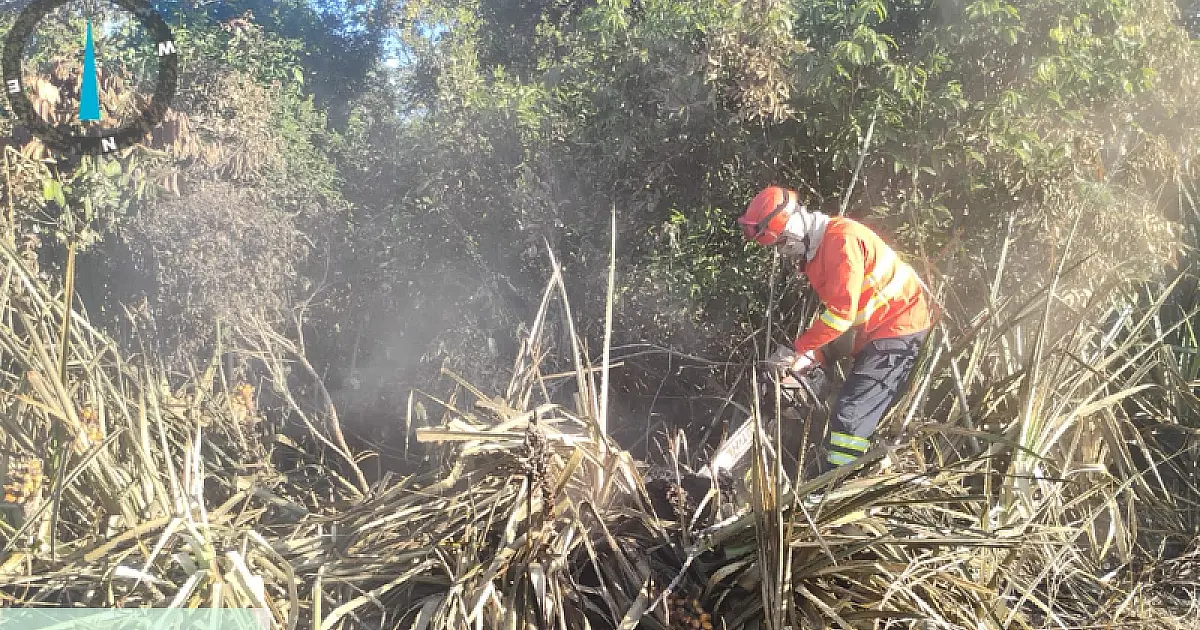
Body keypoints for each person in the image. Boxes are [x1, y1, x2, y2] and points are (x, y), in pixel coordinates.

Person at [737, 185, 932, 476]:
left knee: (850, 413)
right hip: (869, 327)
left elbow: (841, 315)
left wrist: (796, 350)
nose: (783, 252)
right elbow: (839, 318)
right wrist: (805, 360)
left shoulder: (841, 241)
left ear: (793, 229)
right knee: (805, 369)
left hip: (897, 329)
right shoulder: (816, 254)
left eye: (782, 243)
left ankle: (835, 483)